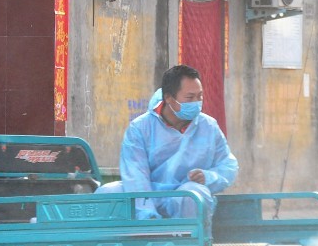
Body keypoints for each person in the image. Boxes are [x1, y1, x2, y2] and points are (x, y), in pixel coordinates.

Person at [98, 65, 238, 220]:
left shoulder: (209, 126)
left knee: (194, 194)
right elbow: (136, 175)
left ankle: (190, 242)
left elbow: (228, 165)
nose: (197, 103)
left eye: (200, 96)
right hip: (146, 195)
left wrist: (209, 177)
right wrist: (147, 214)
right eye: (190, 98)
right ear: (169, 99)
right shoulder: (140, 128)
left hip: (182, 197)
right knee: (108, 193)